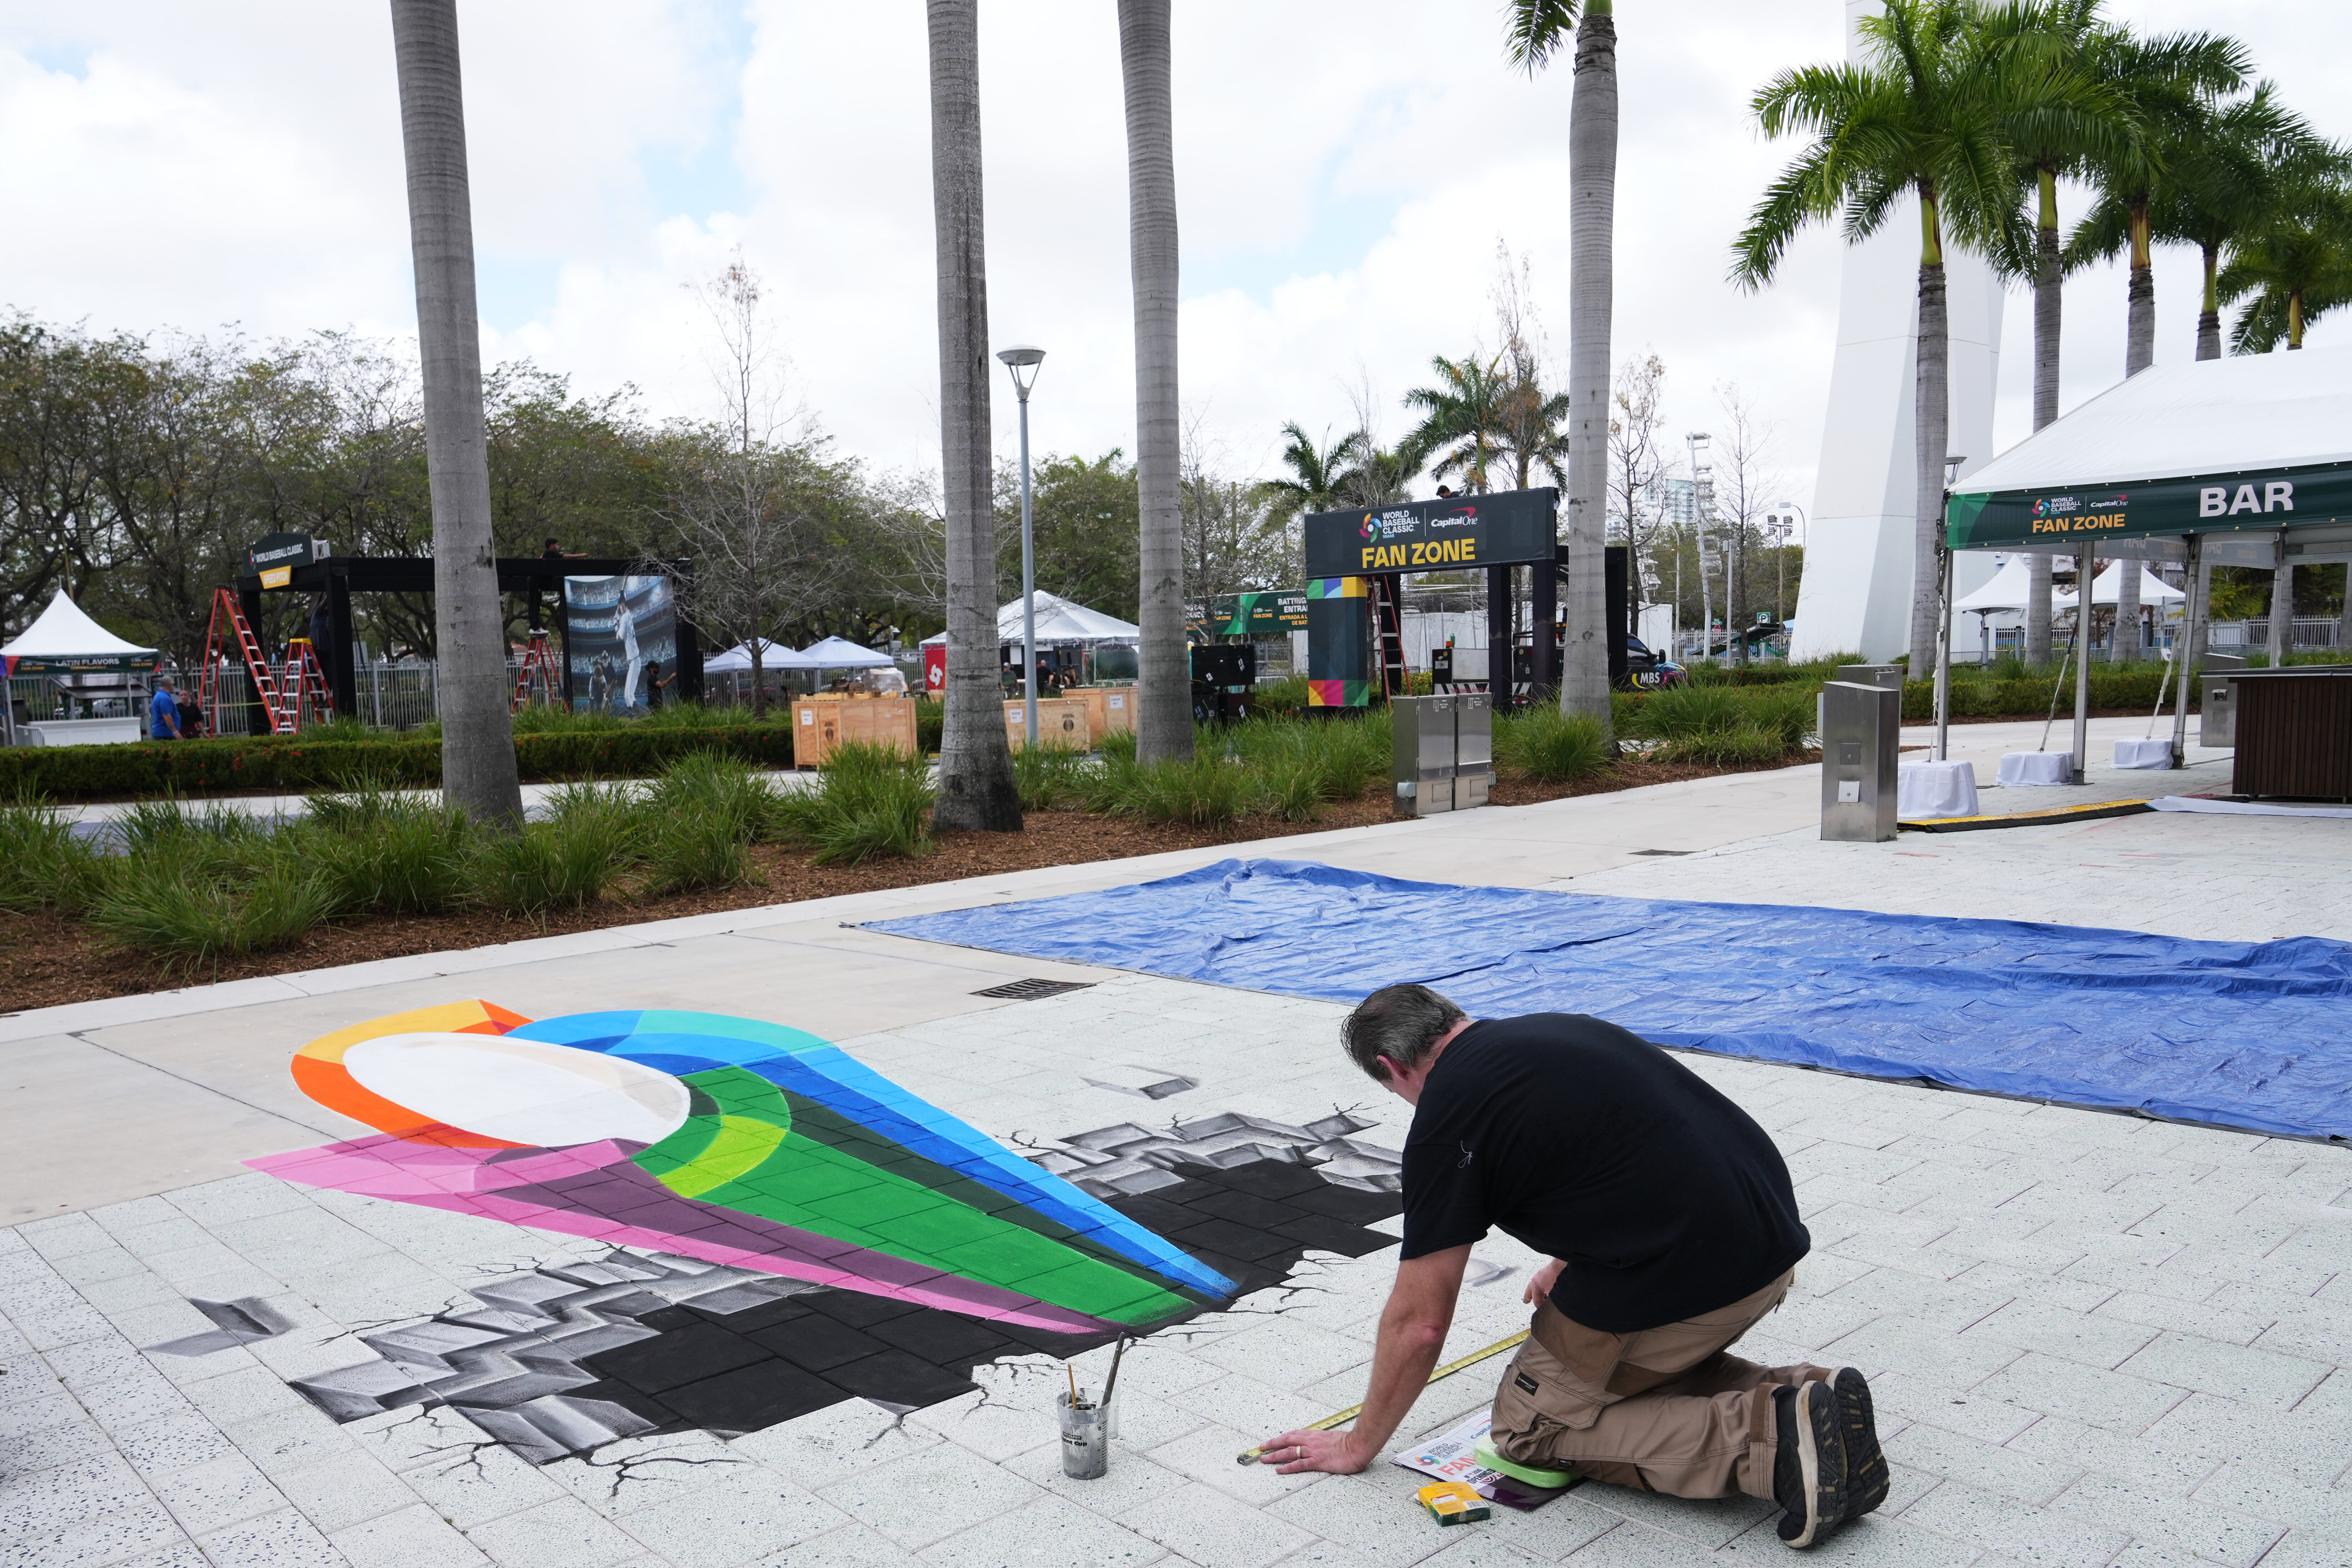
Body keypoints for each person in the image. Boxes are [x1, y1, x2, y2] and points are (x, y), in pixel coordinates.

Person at [1258, 984, 1887, 1550]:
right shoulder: (1561, 1029)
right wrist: (1569, 1252)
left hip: (1692, 1277)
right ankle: (1810, 1396)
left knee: (1529, 1425)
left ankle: (1773, 1438)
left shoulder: (1446, 1118)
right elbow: (1634, 1139)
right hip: (1768, 1242)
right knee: (1607, 1372)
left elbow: (1419, 1321)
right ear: (1450, 1017)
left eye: (1395, 1090)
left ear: (1391, 1067)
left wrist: (1357, 1440)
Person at [149, 675, 183, 740]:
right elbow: (167, 716)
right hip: (165, 733)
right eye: (173, 685)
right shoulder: (165, 698)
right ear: (170, 686)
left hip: (161, 732)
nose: (174, 687)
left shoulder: (159, 696)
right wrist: (175, 732)